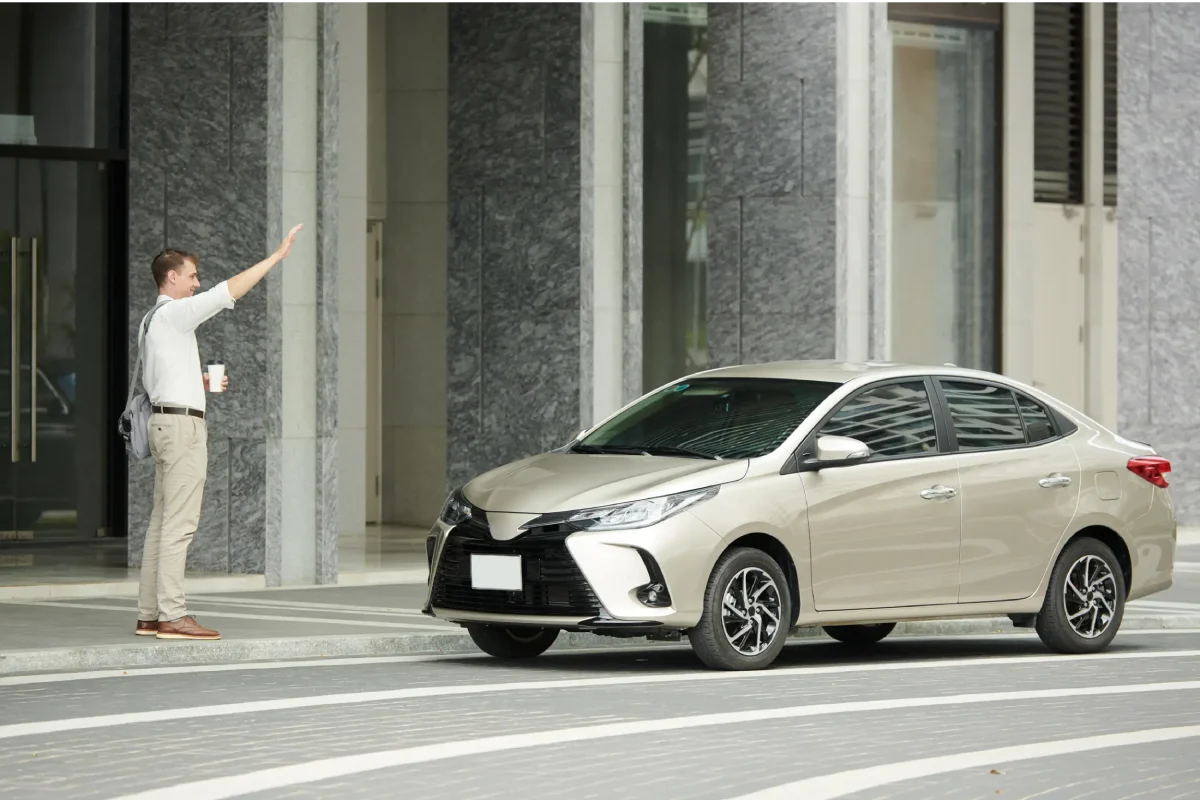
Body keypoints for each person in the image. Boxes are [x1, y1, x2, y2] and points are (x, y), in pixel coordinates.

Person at [135, 223, 303, 640]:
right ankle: (173, 615)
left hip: (164, 421)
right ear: (171, 277)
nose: (197, 283)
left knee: (161, 523)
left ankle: (149, 613)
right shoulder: (174, 312)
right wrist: (277, 257)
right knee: (179, 524)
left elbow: (163, 375)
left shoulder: (152, 320)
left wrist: (205, 384)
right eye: (191, 275)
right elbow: (228, 292)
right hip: (181, 428)